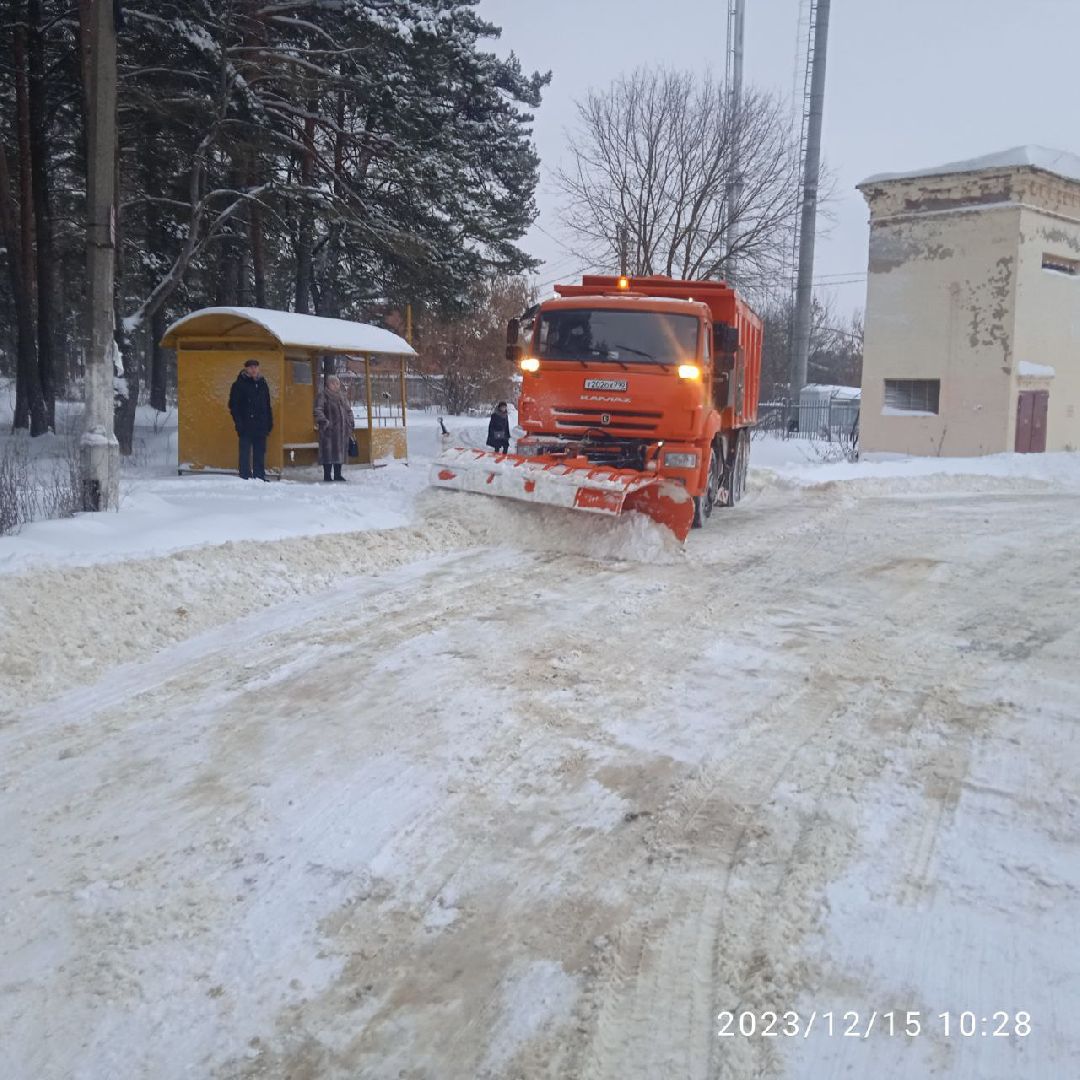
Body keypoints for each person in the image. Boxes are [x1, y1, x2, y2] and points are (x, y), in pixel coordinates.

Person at [228, 358, 273, 480]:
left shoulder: (263, 383)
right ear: (246, 369)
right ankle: (245, 477)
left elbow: (267, 404)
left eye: (255, 367)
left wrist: (269, 422)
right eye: (251, 367)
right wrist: (239, 423)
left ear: (258, 369)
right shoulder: (238, 384)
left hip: (261, 425)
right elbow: (233, 406)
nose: (253, 369)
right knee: (245, 453)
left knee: (260, 453)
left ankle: (259, 476)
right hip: (245, 425)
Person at [314, 374, 354, 482]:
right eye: (334, 383)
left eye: (337, 383)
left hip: (342, 430)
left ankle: (338, 474)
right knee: (328, 452)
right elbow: (318, 410)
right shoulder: (323, 395)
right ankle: (327, 475)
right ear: (328, 384)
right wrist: (325, 423)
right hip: (329, 431)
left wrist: (350, 422)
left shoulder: (342, 396)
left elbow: (349, 410)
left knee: (340, 452)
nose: (336, 385)